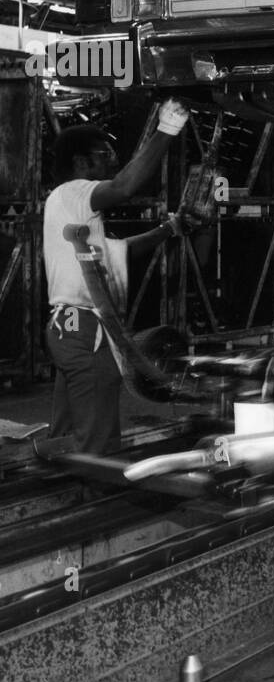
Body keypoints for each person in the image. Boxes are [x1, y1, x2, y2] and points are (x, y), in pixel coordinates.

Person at [44, 100, 192, 455]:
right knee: (97, 436)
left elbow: (120, 250)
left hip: (68, 329)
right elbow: (125, 186)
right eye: (106, 153)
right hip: (83, 328)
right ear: (81, 163)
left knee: (70, 427)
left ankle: (61, 475)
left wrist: (168, 229)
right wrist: (167, 128)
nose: (113, 159)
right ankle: (94, 493)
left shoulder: (75, 212)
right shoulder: (73, 192)